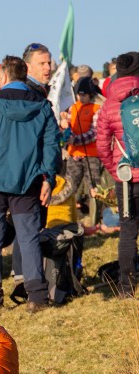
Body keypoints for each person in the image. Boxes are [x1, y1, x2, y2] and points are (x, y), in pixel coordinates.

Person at [0, 55, 59, 312]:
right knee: (29, 237)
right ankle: (37, 297)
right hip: (28, 180)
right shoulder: (42, 105)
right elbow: (51, 145)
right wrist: (48, 177)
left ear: (5, 77)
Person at [96, 51, 139, 297]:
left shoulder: (110, 105)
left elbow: (102, 145)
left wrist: (116, 171)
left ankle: (126, 287)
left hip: (125, 177)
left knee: (127, 229)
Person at [63, 77, 104, 225]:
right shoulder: (73, 108)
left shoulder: (97, 108)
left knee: (94, 189)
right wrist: (64, 126)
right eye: (79, 94)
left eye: (85, 94)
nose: (82, 97)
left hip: (92, 155)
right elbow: (68, 125)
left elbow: (95, 133)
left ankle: (95, 221)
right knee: (70, 188)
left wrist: (77, 140)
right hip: (74, 155)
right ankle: (69, 219)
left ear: (91, 94)